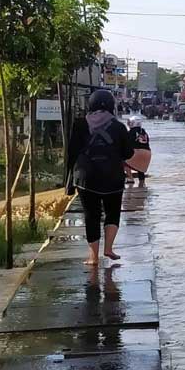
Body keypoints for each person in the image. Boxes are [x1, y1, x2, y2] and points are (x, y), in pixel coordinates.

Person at [67, 89, 134, 266]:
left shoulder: (79, 124)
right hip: (113, 177)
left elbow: (72, 153)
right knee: (112, 212)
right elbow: (128, 153)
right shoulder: (119, 127)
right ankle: (109, 248)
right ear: (112, 105)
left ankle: (93, 257)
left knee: (91, 215)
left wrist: (68, 183)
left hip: (85, 178)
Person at [125, 116, 151, 187]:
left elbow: (126, 143)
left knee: (123, 160)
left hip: (137, 152)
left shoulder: (130, 132)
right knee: (141, 168)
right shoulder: (144, 132)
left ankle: (130, 178)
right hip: (147, 153)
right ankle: (142, 182)